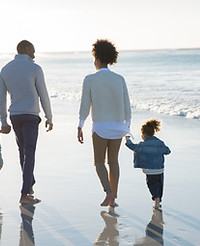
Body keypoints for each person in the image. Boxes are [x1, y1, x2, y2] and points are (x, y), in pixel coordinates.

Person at [77, 39, 131, 208]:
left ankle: (108, 192)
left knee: (99, 162)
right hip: (119, 127)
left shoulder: (90, 79)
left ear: (97, 58)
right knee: (113, 162)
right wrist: (127, 125)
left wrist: (80, 124)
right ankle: (113, 199)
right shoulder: (119, 78)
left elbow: (85, 104)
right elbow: (127, 103)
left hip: (100, 127)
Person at [0, 40, 53, 204]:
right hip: (30, 116)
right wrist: (49, 117)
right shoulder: (35, 69)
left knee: (23, 151)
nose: (35, 55)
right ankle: (24, 194)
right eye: (33, 51)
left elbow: (2, 98)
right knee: (29, 152)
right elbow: (44, 95)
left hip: (15, 116)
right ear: (27, 49)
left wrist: (3, 121)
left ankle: (29, 186)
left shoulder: (5, 69)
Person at [125, 119, 171, 209]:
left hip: (149, 170)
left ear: (144, 134)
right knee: (160, 184)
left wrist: (127, 139)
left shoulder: (142, 145)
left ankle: (156, 198)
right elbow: (167, 151)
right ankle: (158, 199)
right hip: (159, 169)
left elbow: (133, 147)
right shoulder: (159, 143)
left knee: (151, 184)